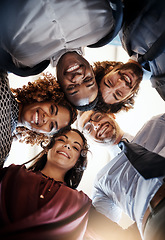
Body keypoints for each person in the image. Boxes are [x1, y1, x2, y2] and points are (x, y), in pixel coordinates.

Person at [0, 128, 142, 240]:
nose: (67, 146)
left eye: (75, 147)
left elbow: (120, 236)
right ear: (48, 147)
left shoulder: (80, 205)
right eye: (62, 140)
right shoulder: (12, 173)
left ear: (77, 162)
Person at [0, 0, 118, 110]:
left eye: (71, 87)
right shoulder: (104, 26)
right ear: (92, 70)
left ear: (59, 85)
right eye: (87, 79)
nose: (77, 77)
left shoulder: (22, 60)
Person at [83, 112, 165, 240]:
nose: (95, 125)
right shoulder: (101, 180)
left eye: (98, 117)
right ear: (90, 142)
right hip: (156, 224)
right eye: (88, 128)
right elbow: (100, 229)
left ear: (111, 115)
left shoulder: (157, 123)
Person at [0, 70, 77, 167]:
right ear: (44, 96)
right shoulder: (1, 81)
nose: (46, 118)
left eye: (52, 125)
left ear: (43, 133)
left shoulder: (4, 148)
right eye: (52, 109)